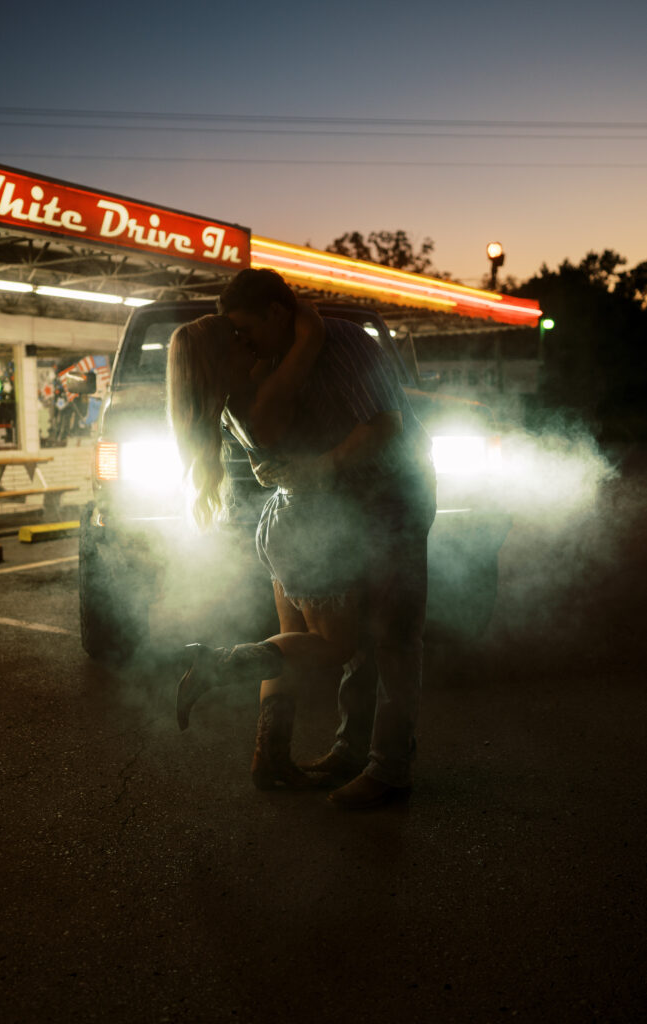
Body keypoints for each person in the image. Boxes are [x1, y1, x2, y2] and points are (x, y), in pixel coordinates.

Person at [168, 269, 436, 808]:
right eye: (235, 338)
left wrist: (311, 335)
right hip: (318, 523)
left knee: (387, 639)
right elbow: (281, 423)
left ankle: (334, 762)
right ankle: (360, 756)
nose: (245, 343)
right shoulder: (270, 374)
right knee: (351, 644)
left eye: (245, 329)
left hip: (386, 504)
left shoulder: (330, 348)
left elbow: (386, 427)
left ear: (274, 312)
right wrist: (307, 334)